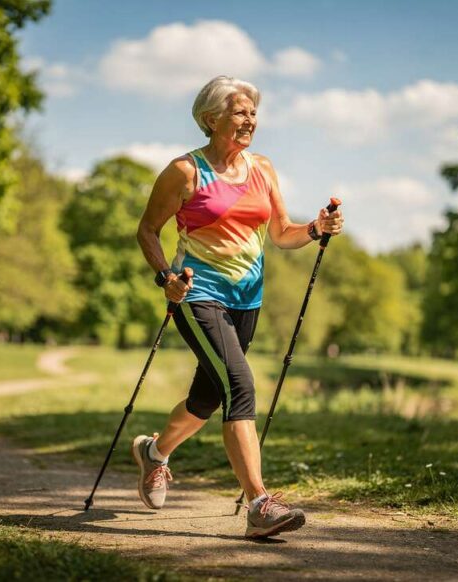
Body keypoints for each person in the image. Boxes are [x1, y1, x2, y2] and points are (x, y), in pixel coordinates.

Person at [134, 75, 343, 538]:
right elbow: (147, 230)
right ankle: (260, 505)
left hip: (248, 299)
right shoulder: (185, 172)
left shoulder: (262, 168)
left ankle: (154, 452)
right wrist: (166, 277)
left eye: (253, 112)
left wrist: (316, 227)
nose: (250, 120)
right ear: (211, 119)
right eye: (240, 111)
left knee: (208, 397)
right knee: (239, 384)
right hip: (197, 293)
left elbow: (283, 233)